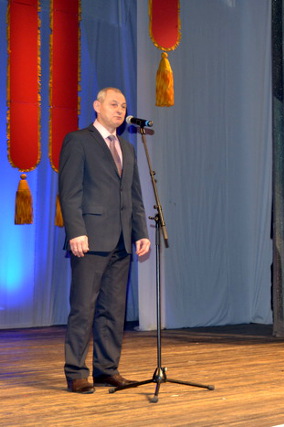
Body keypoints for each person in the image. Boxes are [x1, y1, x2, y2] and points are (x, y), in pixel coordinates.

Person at [58, 87, 151, 393]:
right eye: (113, 104)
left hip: (122, 240)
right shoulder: (78, 140)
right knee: (83, 308)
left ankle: (106, 369)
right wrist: (76, 231)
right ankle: (76, 372)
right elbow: (69, 191)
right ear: (97, 106)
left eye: (123, 105)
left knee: (113, 309)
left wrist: (141, 233)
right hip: (90, 238)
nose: (120, 110)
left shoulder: (127, 147)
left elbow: (134, 196)